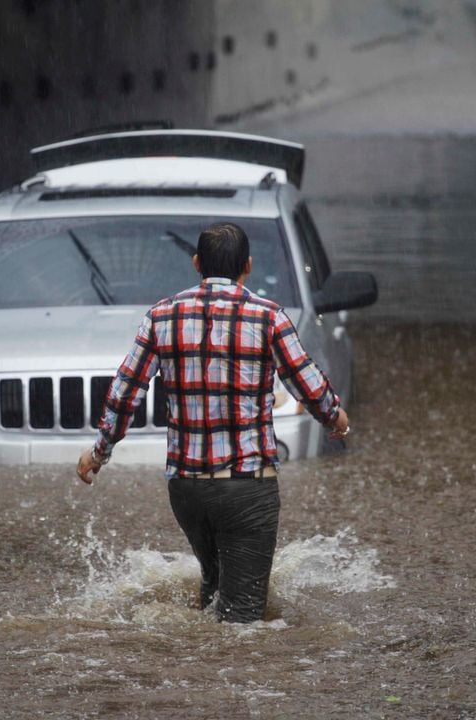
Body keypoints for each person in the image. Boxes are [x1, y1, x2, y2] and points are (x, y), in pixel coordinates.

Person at [75, 221, 350, 623]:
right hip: (246, 489)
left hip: (187, 491)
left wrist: (99, 453)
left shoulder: (161, 316)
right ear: (249, 266)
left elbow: (126, 392)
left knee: (215, 588)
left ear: (197, 263)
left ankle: (193, 674)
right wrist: (335, 418)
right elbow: (307, 385)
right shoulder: (269, 317)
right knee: (243, 617)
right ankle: (230, 680)